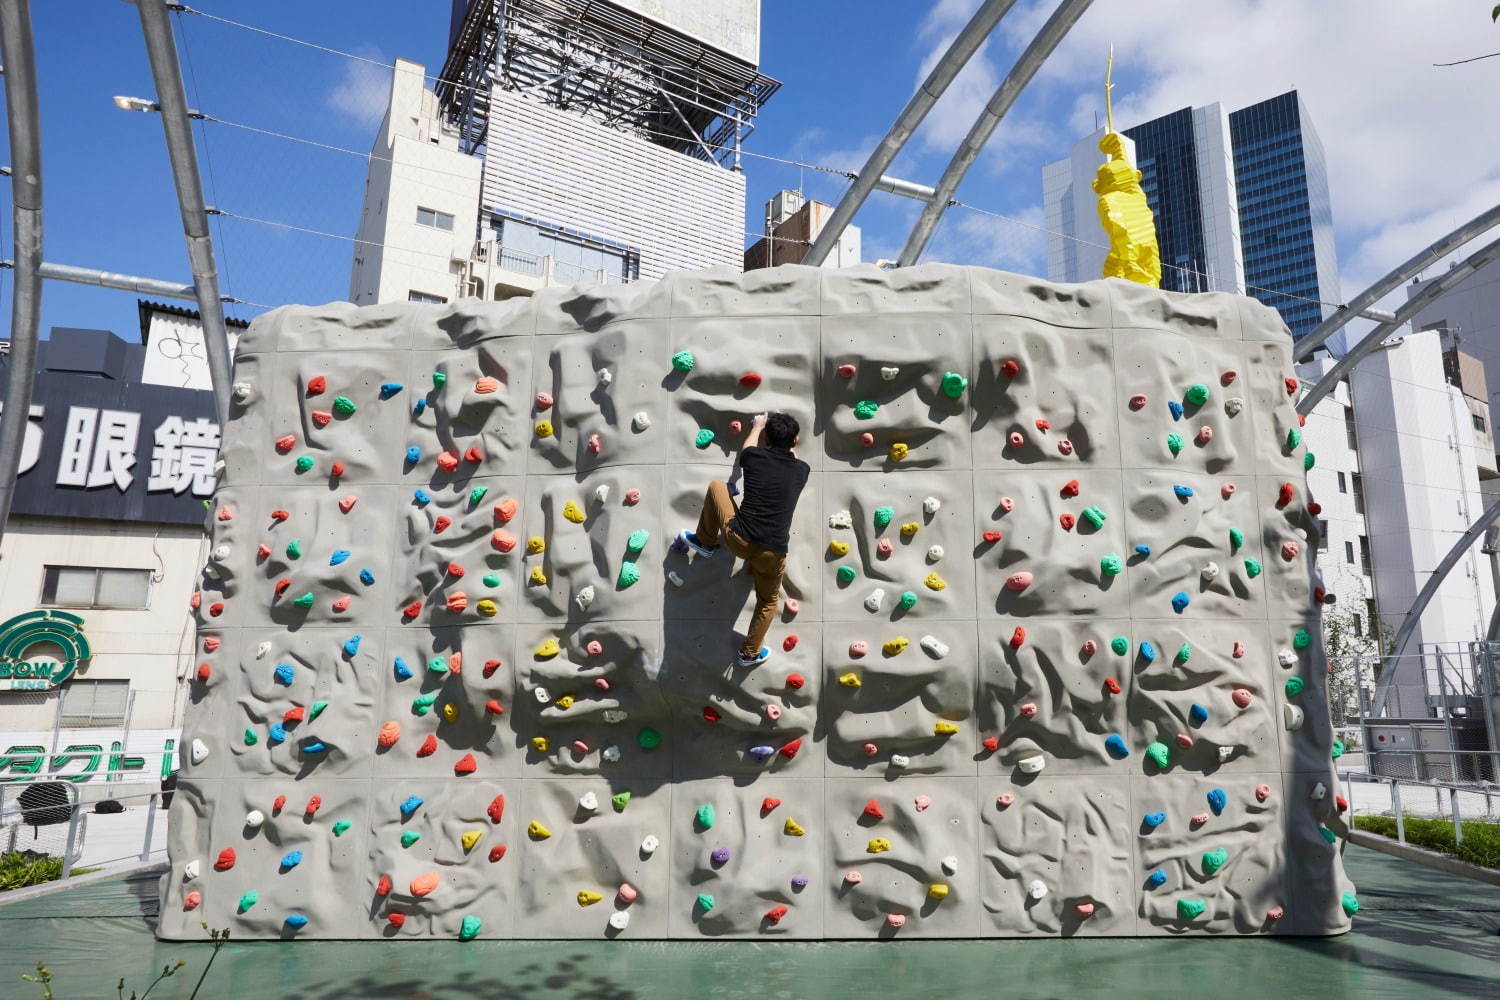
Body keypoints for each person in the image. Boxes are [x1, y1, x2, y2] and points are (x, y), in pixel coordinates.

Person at [678, 411, 810, 667]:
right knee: (768, 601)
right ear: (795, 441)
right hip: (772, 551)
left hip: (738, 538)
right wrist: (780, 437)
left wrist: (758, 425)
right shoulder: (801, 471)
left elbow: (747, 447)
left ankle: (704, 542)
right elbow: (792, 456)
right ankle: (749, 654)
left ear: (766, 439)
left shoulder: (753, 456)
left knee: (717, 487)